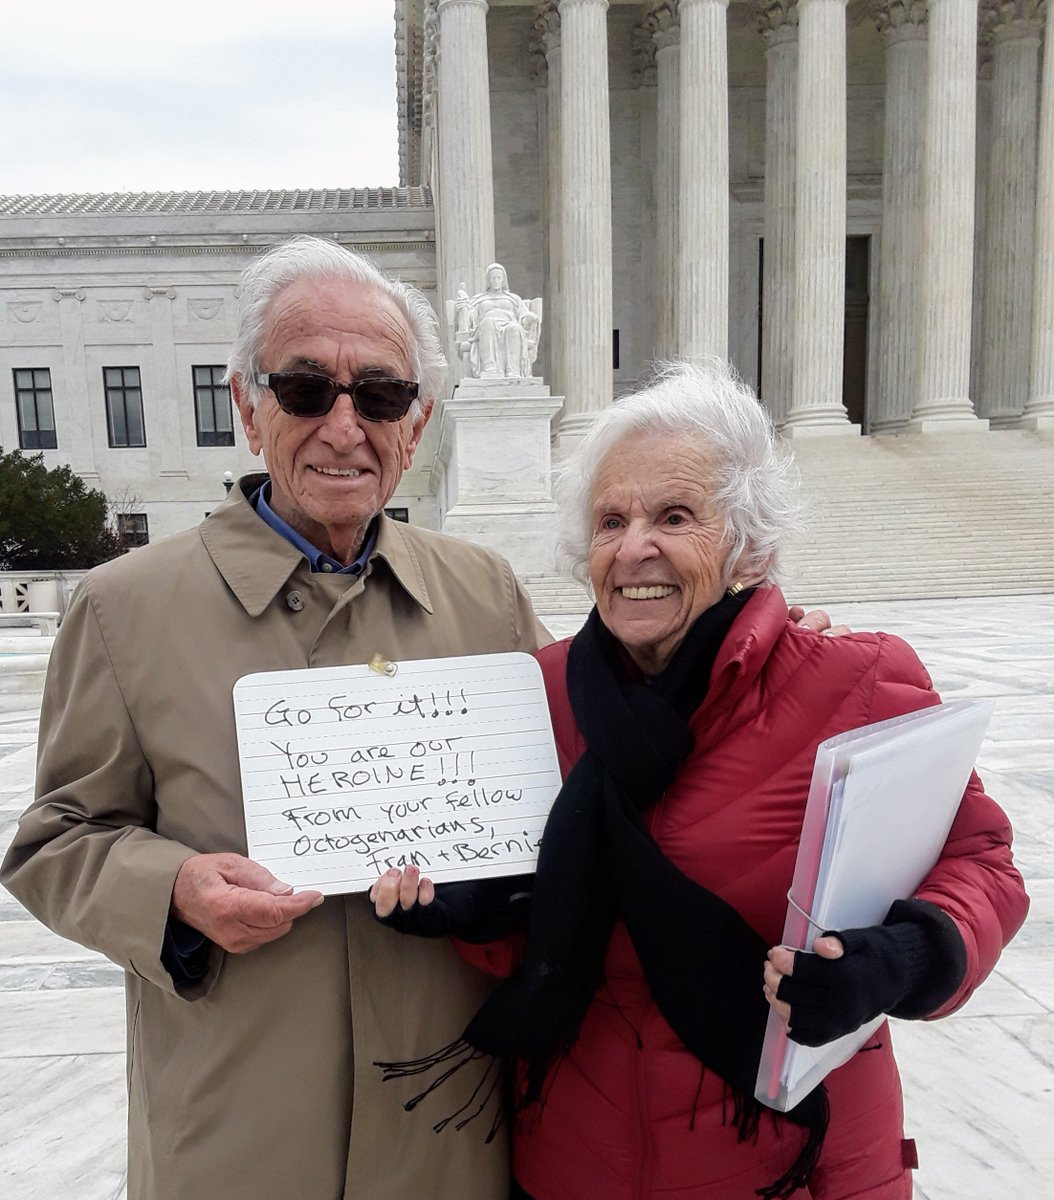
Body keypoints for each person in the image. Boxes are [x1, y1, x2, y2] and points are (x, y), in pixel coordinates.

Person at [370, 360, 1029, 1199]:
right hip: (578, 1156)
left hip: (791, 1164)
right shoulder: (541, 696)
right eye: (611, 520)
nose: (634, 546)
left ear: (747, 545)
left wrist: (901, 957)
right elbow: (552, 931)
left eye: (674, 516)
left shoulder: (855, 682)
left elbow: (983, 863)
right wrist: (467, 906)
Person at [0, 236, 552, 1200]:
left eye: (379, 395)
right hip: (236, 1134)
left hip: (447, 1141)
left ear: (415, 425)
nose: (346, 425)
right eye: (307, 389)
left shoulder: (486, 596)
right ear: (249, 406)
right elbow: (54, 844)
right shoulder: (126, 609)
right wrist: (172, 888)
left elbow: (583, 786)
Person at [452, 263, 541, 379]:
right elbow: (470, 316)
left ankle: (513, 371)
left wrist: (530, 318)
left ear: (503, 280)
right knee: (488, 323)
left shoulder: (513, 298)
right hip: (485, 327)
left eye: (499, 278)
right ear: (488, 280)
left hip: (510, 324)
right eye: (493, 278)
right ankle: (489, 367)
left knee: (514, 328)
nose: (496, 281)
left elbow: (523, 315)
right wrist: (461, 309)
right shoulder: (479, 299)